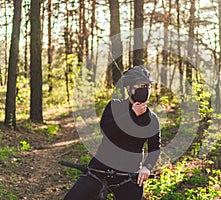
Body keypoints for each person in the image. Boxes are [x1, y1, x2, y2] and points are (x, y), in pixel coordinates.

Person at [64, 65, 161, 200]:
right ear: (129, 88)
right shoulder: (115, 106)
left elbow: (155, 148)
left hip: (129, 175)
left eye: (147, 86)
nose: (145, 89)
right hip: (100, 169)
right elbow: (107, 129)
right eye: (140, 85)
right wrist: (132, 114)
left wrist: (147, 167)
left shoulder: (152, 119)